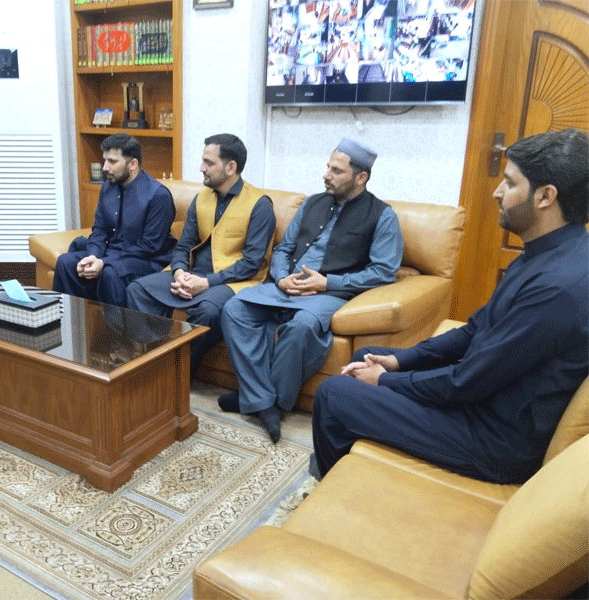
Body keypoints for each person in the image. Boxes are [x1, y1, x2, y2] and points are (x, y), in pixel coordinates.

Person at [311, 128, 589, 484]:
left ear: (545, 196)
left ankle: (333, 487)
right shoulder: (545, 253)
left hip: (494, 440)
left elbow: (466, 382)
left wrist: (386, 381)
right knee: (370, 355)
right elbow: (474, 331)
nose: (497, 191)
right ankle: (346, 467)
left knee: (334, 393)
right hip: (483, 401)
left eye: (510, 183)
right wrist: (398, 361)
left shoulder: (558, 287)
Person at [218, 138, 403, 443]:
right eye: (328, 167)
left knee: (302, 326)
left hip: (328, 294)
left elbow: (383, 272)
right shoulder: (312, 203)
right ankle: (265, 400)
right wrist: (280, 278)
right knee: (235, 308)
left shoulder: (382, 216)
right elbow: (283, 248)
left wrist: (328, 283)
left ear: (361, 178)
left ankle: (264, 402)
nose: (326, 175)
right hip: (285, 286)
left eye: (336, 170)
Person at [126, 133, 276, 377]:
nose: (201, 168)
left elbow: (252, 263)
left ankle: (180, 374)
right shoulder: (201, 198)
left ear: (230, 167)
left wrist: (206, 283)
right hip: (193, 273)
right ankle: (149, 363)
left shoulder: (260, 205)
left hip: (234, 280)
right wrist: (180, 272)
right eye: (202, 161)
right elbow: (184, 245)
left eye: (209, 163)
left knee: (208, 311)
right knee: (137, 289)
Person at [52, 133, 175, 307]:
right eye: (105, 161)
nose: (105, 167)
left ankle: (114, 333)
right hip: (111, 254)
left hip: (146, 260)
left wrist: (104, 262)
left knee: (110, 272)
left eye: (112, 162)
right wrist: (93, 256)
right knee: (66, 262)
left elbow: (150, 246)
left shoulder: (158, 195)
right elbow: (100, 230)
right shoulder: (107, 187)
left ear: (133, 164)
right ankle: (70, 325)